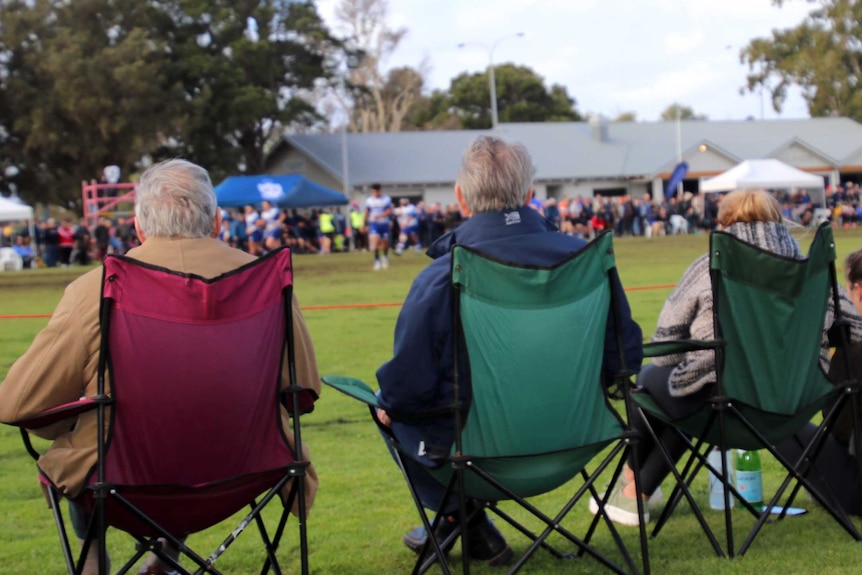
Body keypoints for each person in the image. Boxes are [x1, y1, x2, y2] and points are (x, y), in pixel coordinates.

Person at [0, 159, 321, 575]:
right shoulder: (267, 284)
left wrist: (73, 417)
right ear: (218, 222)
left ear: (138, 227)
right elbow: (304, 391)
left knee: (89, 441)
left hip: (121, 484)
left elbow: (15, 405)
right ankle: (166, 556)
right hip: (248, 472)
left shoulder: (95, 291)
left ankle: (95, 556)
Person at [375, 136, 644, 566]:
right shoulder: (587, 260)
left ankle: (453, 515)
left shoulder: (441, 276)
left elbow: (406, 389)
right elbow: (625, 357)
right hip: (577, 441)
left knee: (384, 405)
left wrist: (388, 405)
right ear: (530, 195)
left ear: (461, 199)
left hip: (477, 456)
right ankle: (467, 524)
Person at [595, 189, 862, 527]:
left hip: (724, 409)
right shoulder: (810, 274)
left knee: (653, 379)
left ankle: (632, 485)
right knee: (681, 388)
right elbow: (855, 331)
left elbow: (666, 347)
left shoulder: (710, 266)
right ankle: (639, 491)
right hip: (790, 410)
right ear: (779, 222)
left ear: (723, 224)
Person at [775, 248, 862, 516]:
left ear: (858, 290)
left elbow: (836, 419)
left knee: (781, 427)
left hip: (857, 491)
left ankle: (822, 486)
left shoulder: (855, 353)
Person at [365, 183, 393, 270]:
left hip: (384, 223)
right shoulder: (369, 200)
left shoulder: (386, 199)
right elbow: (367, 211)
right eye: (374, 191)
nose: (375, 193)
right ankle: (377, 260)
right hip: (374, 223)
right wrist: (364, 224)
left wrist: (380, 216)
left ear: (380, 191)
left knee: (385, 243)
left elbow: (389, 211)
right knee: (375, 241)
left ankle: (384, 257)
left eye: (377, 191)